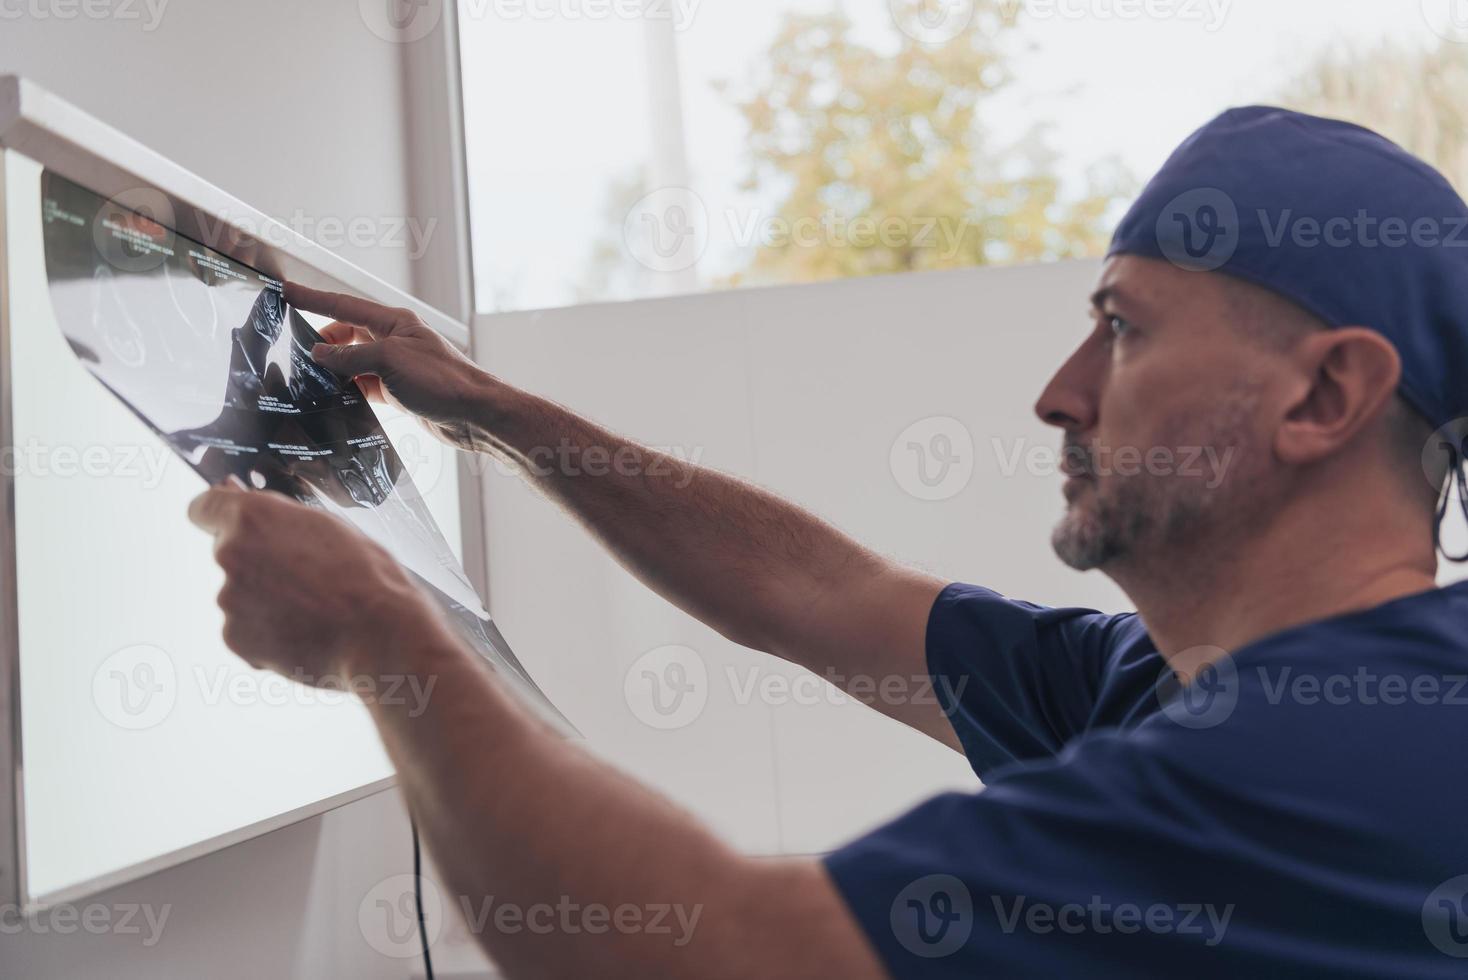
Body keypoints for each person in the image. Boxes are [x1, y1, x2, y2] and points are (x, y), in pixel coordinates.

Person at [188, 107, 1468, 978]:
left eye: (1125, 331)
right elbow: (814, 590)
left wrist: (380, 631)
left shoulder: (1356, 746)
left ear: (1323, 397)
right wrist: (490, 410)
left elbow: (715, 951)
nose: (1060, 390)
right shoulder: (1156, 684)